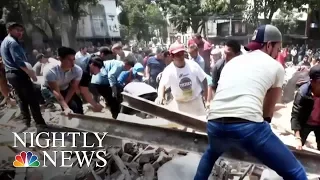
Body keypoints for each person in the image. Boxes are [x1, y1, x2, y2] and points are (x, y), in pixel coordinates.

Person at [194, 24, 307, 180]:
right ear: (269, 45)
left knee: (211, 154)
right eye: (278, 48)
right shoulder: (276, 67)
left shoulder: (232, 62)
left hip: (214, 124)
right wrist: (260, 143)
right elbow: (267, 113)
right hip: (248, 129)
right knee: (296, 172)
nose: (278, 53)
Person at [0, 22, 47, 129]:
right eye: (17, 30)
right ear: (10, 30)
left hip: (10, 74)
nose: (20, 33)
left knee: (22, 99)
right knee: (32, 99)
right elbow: (18, 61)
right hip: (18, 74)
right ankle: (40, 124)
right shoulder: (13, 43)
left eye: (22, 30)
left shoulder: (4, 42)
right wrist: (31, 74)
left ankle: (26, 122)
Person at [157, 43, 208, 117]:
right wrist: (160, 97)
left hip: (196, 102)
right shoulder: (168, 71)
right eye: (177, 55)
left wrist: (206, 98)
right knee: (181, 127)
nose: (181, 57)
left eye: (182, 54)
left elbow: (204, 79)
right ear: (172, 56)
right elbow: (162, 85)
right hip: (180, 104)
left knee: (201, 125)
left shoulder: (193, 65)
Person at [43, 47, 83, 115]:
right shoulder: (50, 71)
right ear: (60, 59)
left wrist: (66, 103)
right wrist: (65, 107)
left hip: (64, 87)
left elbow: (73, 88)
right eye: (69, 60)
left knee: (77, 105)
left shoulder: (77, 70)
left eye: (73, 59)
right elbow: (55, 91)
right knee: (65, 107)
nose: (72, 63)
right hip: (49, 89)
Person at [291, 64, 320, 151]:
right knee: (298, 148)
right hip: (305, 123)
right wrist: (297, 138)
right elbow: (295, 115)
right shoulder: (302, 93)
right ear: (312, 82)